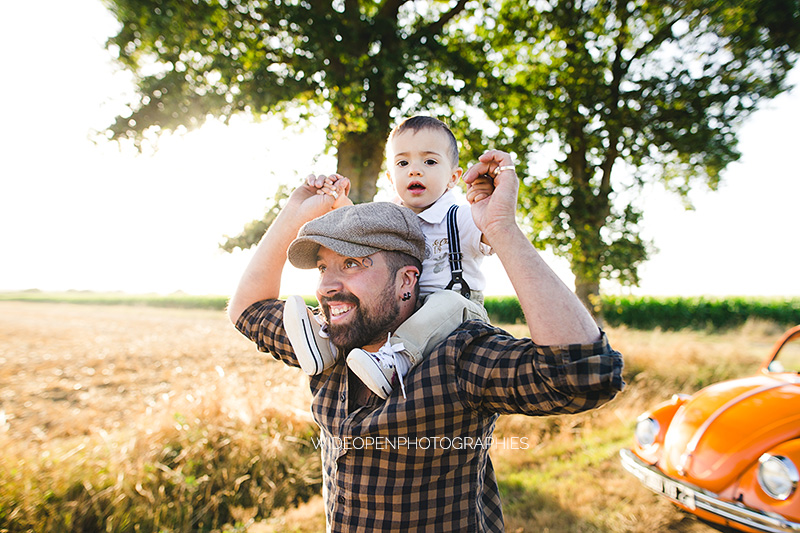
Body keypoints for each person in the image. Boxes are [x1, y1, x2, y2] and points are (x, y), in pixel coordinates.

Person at [227, 147, 625, 532]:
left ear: (406, 281)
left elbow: (585, 376)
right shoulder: (326, 342)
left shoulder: (457, 356)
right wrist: (292, 214)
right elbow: (246, 310)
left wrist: (501, 228)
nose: (328, 286)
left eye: (351, 264)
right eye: (322, 267)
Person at [283, 116, 496, 399]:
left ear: (454, 177)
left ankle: (394, 363)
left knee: (448, 301)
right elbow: (362, 242)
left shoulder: (461, 217)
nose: (414, 172)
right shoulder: (388, 215)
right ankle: (329, 346)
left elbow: (495, 235)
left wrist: (493, 208)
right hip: (405, 311)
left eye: (429, 162)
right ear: (389, 177)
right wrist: (340, 203)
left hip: (457, 318)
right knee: (364, 298)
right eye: (402, 163)